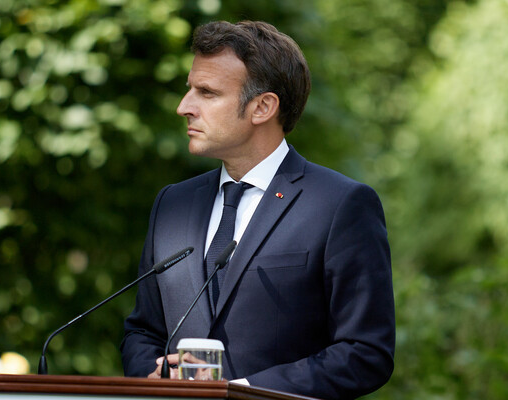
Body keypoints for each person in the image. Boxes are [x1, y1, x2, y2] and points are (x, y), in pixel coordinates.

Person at [120, 20, 395, 400]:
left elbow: (365, 353)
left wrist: (245, 392)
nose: (184, 107)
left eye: (207, 93)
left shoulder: (340, 205)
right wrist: (150, 376)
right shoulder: (172, 203)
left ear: (263, 107)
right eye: (190, 89)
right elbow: (142, 331)